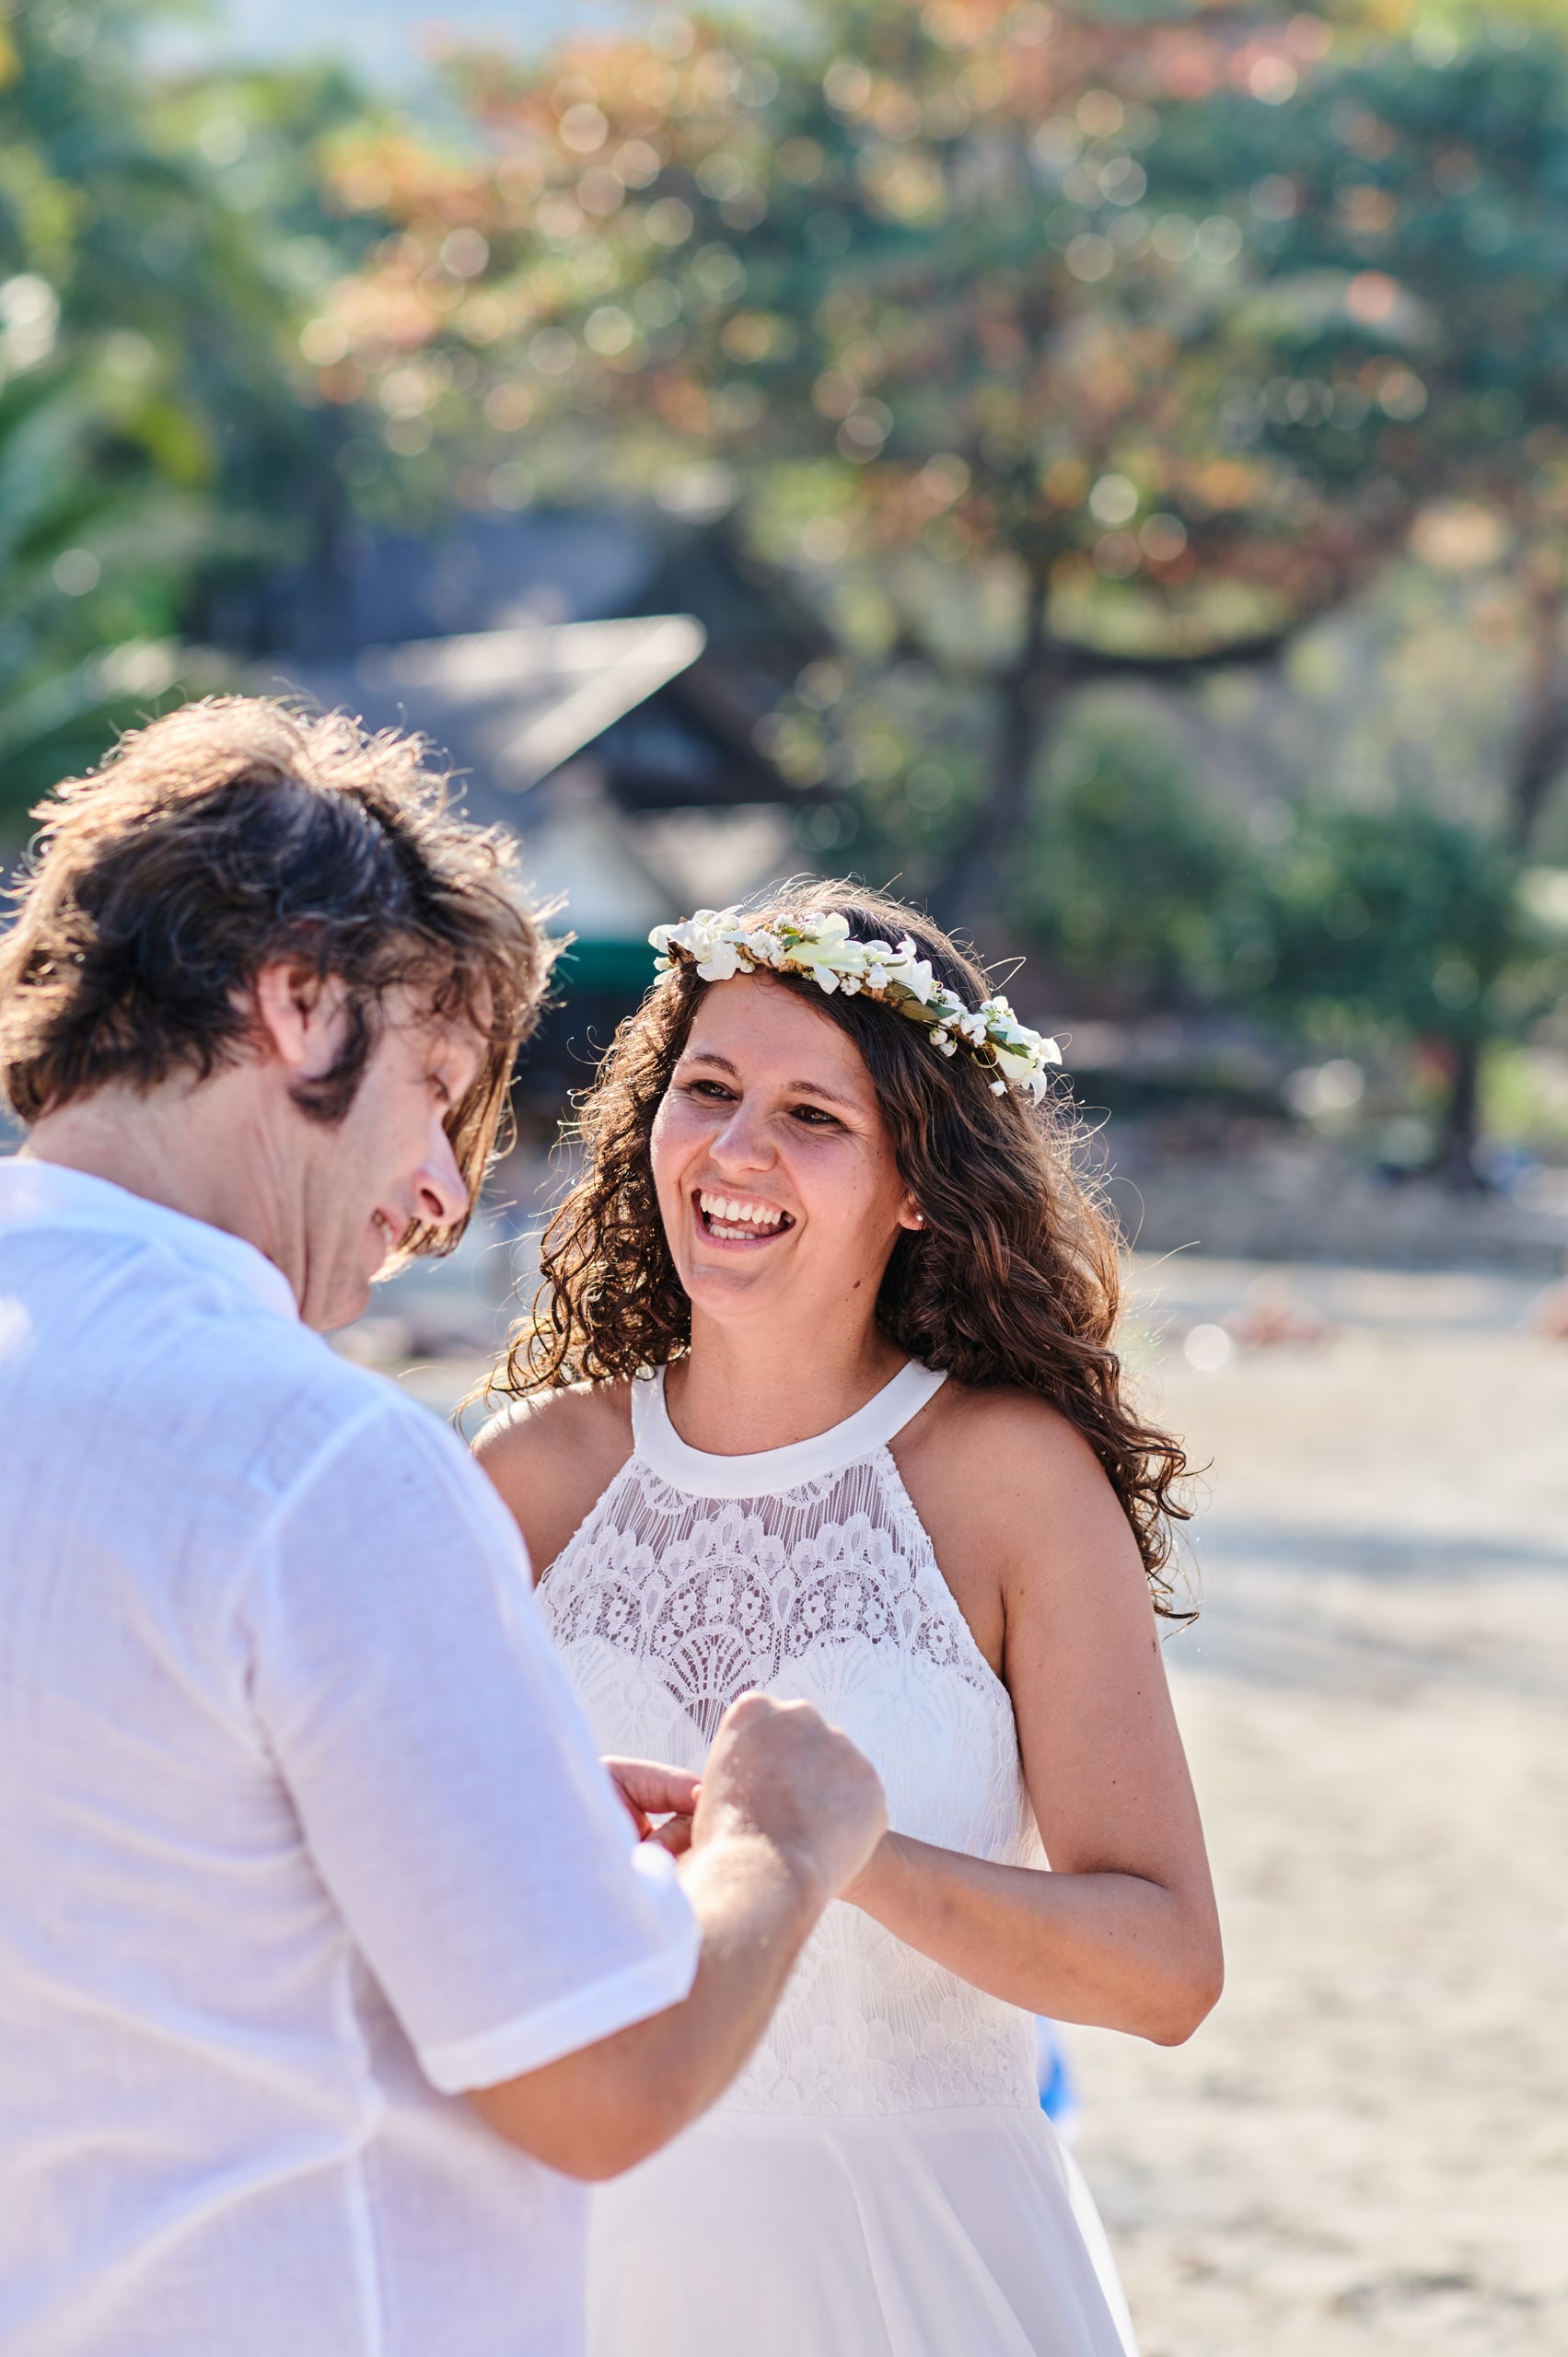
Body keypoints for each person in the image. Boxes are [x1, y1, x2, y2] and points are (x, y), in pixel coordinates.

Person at [0, 702, 888, 2357]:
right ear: (299, 1000)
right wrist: (781, 1840)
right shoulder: (315, 1462)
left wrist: (515, 1816)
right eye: (437, 1089)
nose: (435, 1193)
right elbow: (605, 2084)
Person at [478, 888, 1225, 2357]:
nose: (737, 1152)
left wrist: (851, 1857)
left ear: (920, 1183)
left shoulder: (1008, 1481)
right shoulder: (525, 1478)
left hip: (917, 2269)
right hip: (568, 2269)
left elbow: (1166, 1969)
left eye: (814, 1117)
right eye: (709, 1089)